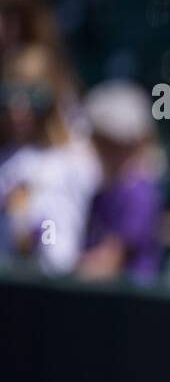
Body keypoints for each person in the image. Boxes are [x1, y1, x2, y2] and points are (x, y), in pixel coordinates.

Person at [0, 43, 97, 273]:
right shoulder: (6, 156)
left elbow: (58, 251)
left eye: (32, 97)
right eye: (9, 94)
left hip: (42, 287)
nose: (18, 110)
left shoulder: (71, 162)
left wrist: (32, 225)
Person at [77, 80, 163, 282]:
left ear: (140, 143)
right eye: (103, 142)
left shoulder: (138, 195)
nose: (111, 152)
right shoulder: (100, 191)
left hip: (131, 305)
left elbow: (111, 259)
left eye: (119, 144)